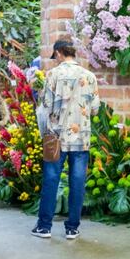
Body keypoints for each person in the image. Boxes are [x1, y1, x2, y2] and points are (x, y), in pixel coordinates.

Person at [31, 39, 100, 240]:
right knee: (77, 181)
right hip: (81, 138)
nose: (55, 60)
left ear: (59, 53)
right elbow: (95, 108)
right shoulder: (89, 76)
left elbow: (46, 106)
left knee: (51, 179)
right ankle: (72, 228)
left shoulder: (53, 75)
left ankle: (44, 227)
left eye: (55, 56)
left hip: (56, 136)